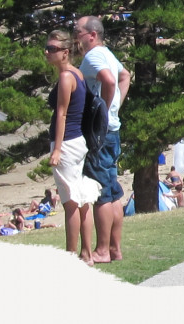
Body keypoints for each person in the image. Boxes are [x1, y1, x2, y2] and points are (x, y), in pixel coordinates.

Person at [75, 16, 129, 264]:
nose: (75, 37)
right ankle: (115, 249)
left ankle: (103, 250)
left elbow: (110, 80)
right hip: (112, 130)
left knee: (101, 192)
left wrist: (103, 112)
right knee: (112, 189)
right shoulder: (107, 53)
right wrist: (114, 107)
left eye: (77, 32)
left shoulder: (93, 56)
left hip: (101, 133)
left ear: (92, 35)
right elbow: (125, 76)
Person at [44, 30, 101, 265]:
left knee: (70, 204)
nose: (47, 52)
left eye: (52, 49)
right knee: (82, 201)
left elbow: (62, 114)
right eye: (47, 48)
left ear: (65, 52)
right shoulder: (77, 73)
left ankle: (71, 257)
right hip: (78, 142)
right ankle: (86, 253)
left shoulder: (67, 77)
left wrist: (57, 149)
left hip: (67, 143)